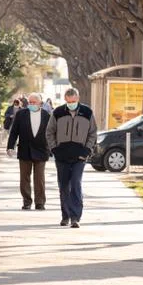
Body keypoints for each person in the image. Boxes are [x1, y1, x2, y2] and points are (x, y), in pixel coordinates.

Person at [46, 88, 97, 228]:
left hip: (80, 156)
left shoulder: (87, 112)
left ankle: (75, 217)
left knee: (75, 184)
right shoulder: (57, 112)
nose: (71, 104)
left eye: (73, 101)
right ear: (65, 100)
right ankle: (65, 216)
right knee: (63, 186)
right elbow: (49, 132)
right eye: (68, 102)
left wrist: (87, 149)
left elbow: (92, 133)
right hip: (61, 155)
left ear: (78, 98)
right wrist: (54, 149)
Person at [7, 92, 50, 210]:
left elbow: (51, 133)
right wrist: (10, 146)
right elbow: (14, 131)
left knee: (39, 178)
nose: (31, 104)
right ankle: (27, 201)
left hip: (41, 150)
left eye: (34, 102)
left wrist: (52, 148)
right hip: (25, 150)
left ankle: (40, 202)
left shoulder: (47, 115)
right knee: (24, 178)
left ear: (40, 103)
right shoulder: (21, 114)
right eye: (30, 102)